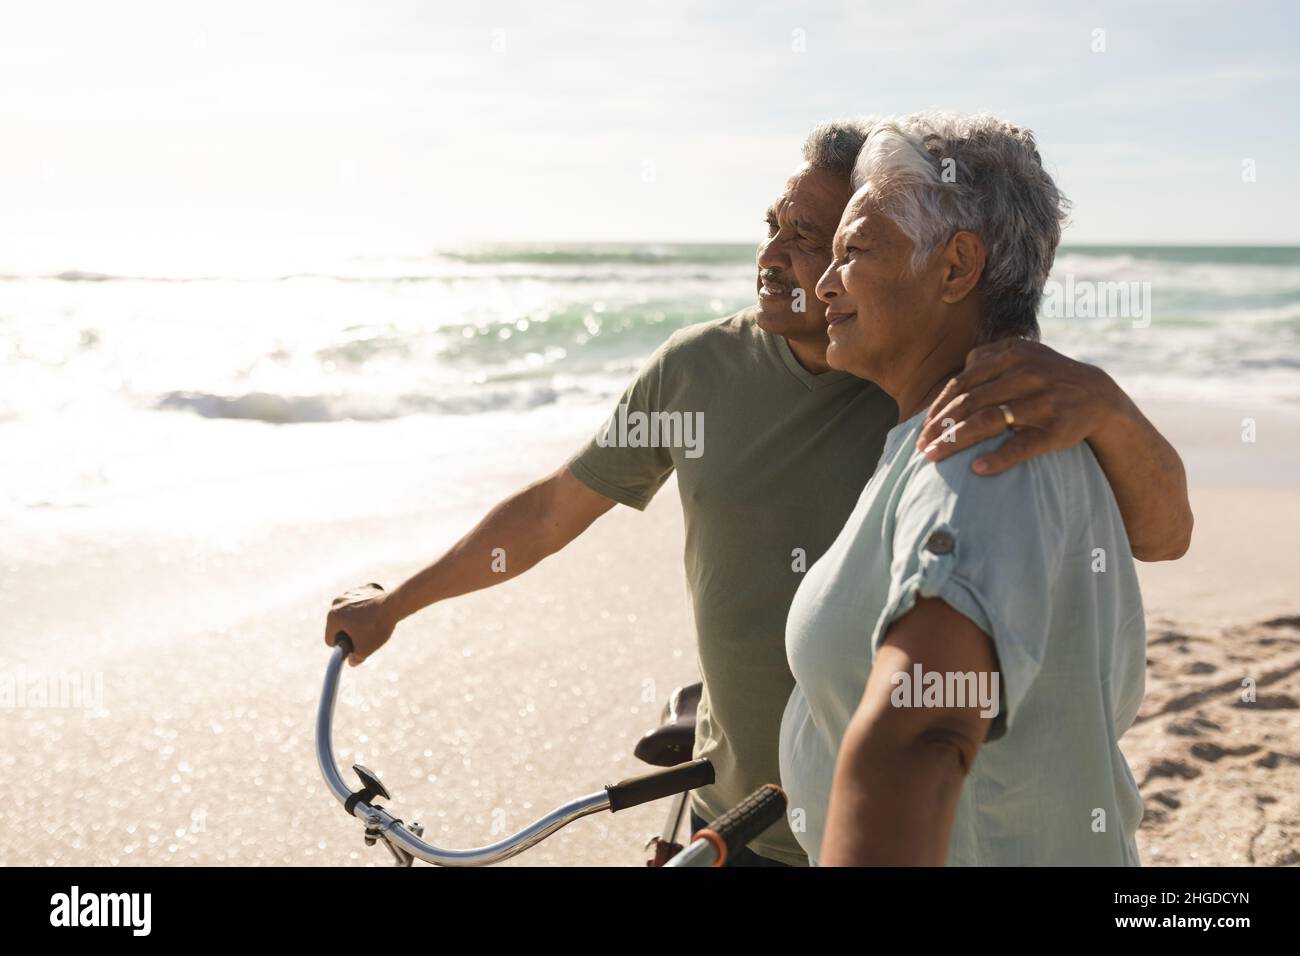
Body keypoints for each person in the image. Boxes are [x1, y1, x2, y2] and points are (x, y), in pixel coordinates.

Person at [324, 119, 1192, 866]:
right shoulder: (700, 372)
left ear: (941, 266)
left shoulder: (967, 402)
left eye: (829, 240)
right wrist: (397, 602)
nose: (782, 261)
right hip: (734, 807)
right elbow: (556, 507)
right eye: (773, 228)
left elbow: (1149, 536)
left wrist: (1111, 410)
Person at [780, 111, 1152, 866]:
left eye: (854, 250)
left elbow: (923, 731)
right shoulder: (998, 425)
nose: (823, 283)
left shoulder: (979, 448)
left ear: (955, 267)